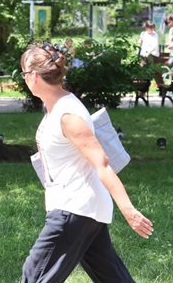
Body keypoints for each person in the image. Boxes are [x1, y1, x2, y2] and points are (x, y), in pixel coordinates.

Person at [20, 44, 153, 283]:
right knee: (112, 276)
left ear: (35, 76)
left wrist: (129, 211)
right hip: (83, 208)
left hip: (75, 209)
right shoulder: (55, 107)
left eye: (24, 74)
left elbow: (101, 164)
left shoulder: (68, 115)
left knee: (34, 274)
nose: (24, 80)